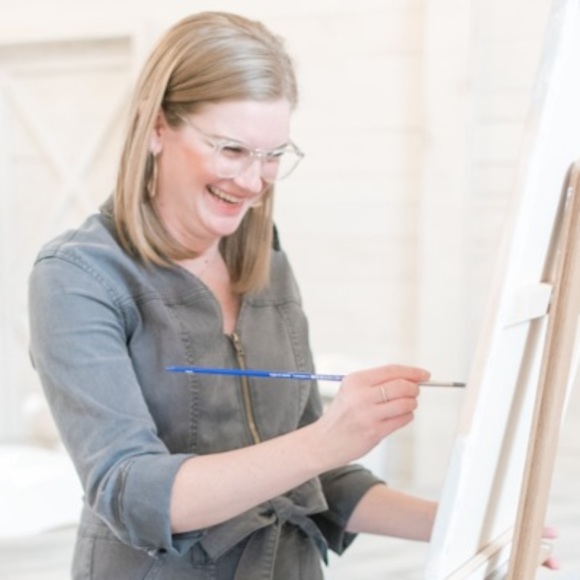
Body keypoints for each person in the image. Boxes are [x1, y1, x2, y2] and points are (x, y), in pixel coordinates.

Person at [27, 11, 557, 579]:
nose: (253, 182)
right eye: (232, 150)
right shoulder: (77, 276)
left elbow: (317, 478)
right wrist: (329, 439)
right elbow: (132, 492)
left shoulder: (265, 258)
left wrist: (470, 524)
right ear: (157, 127)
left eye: (274, 154)